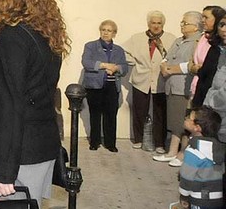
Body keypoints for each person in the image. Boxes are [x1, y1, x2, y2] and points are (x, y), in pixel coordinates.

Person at [0, 0, 70, 208]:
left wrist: (5, 171)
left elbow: (11, 104)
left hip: (14, 153)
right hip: (39, 146)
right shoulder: (47, 31)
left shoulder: (13, 36)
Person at [154, 12, 204, 167]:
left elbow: (192, 64)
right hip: (171, 86)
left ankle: (180, 154)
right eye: (182, 22)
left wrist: (170, 69)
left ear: (195, 26)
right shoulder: (178, 40)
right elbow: (166, 58)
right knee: (175, 121)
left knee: (183, 122)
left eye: (185, 23)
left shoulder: (198, 41)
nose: (182, 25)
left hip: (183, 87)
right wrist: (164, 66)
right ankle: (172, 152)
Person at [123, 11, 177, 153]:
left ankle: (159, 143)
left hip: (161, 80)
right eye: (153, 23)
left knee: (160, 112)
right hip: (141, 79)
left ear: (163, 24)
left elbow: (175, 56)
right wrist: (135, 62)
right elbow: (123, 51)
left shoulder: (171, 39)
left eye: (159, 23)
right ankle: (138, 139)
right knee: (139, 110)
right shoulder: (137, 38)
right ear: (148, 24)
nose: (156, 26)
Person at [82, 19, 128, 152]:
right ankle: (95, 142)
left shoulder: (119, 50)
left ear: (114, 33)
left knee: (111, 115)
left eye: (109, 31)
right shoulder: (90, 46)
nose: (105, 33)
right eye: (103, 30)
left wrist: (116, 68)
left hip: (112, 86)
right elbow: (86, 62)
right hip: (95, 86)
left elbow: (124, 68)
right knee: (95, 114)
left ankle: (110, 143)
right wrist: (104, 65)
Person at [178, 106, 225, 209]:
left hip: (199, 199)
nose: (186, 118)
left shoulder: (193, 151)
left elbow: (187, 177)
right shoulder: (218, 148)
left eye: (189, 118)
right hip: (217, 198)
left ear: (197, 128)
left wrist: (184, 196)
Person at [191, 6, 226, 97]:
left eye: (206, 17)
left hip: (214, 95)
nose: (202, 20)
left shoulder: (219, 44)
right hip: (198, 88)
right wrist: (192, 67)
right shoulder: (204, 38)